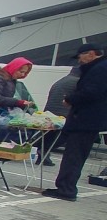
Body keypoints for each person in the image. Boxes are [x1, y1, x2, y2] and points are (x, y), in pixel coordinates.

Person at [43, 44, 107, 201]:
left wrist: (70, 99)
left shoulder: (99, 69)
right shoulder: (99, 67)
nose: (79, 60)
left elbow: (91, 92)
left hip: (84, 120)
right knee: (75, 155)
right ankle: (66, 187)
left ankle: (66, 189)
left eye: (80, 56)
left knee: (73, 156)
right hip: (89, 120)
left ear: (91, 54)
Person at [38, 62, 82, 165]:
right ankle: (43, 150)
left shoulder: (62, 80)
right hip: (63, 112)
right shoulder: (77, 82)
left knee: (49, 136)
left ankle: (43, 156)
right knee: (64, 135)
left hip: (50, 111)